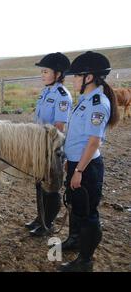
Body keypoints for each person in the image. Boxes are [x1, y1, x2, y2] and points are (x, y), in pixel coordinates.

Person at [58, 51, 119, 272]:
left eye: (77, 76)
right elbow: (78, 136)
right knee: (76, 207)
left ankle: (85, 261)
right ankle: (75, 240)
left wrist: (79, 170)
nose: (73, 79)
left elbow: (93, 142)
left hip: (87, 167)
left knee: (88, 213)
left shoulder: (96, 103)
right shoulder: (85, 100)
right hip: (77, 163)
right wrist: (71, 161)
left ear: (89, 77)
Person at [25, 52, 72, 236]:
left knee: (51, 187)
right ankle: (40, 219)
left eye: (46, 71)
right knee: (40, 184)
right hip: (40, 145)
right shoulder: (46, 92)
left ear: (58, 74)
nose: (42, 74)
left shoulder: (62, 96)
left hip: (51, 148)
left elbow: (59, 126)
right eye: (42, 71)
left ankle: (49, 224)